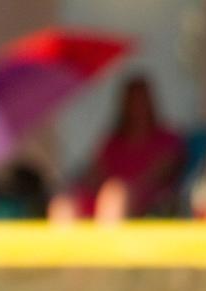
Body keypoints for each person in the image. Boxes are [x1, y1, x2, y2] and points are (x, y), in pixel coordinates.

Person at [48, 74, 185, 222]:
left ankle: (105, 245)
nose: (138, 107)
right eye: (133, 101)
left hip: (145, 202)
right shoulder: (112, 142)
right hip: (104, 199)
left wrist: (123, 188)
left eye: (142, 100)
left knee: (115, 195)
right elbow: (95, 174)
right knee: (63, 203)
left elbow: (159, 173)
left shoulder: (168, 140)